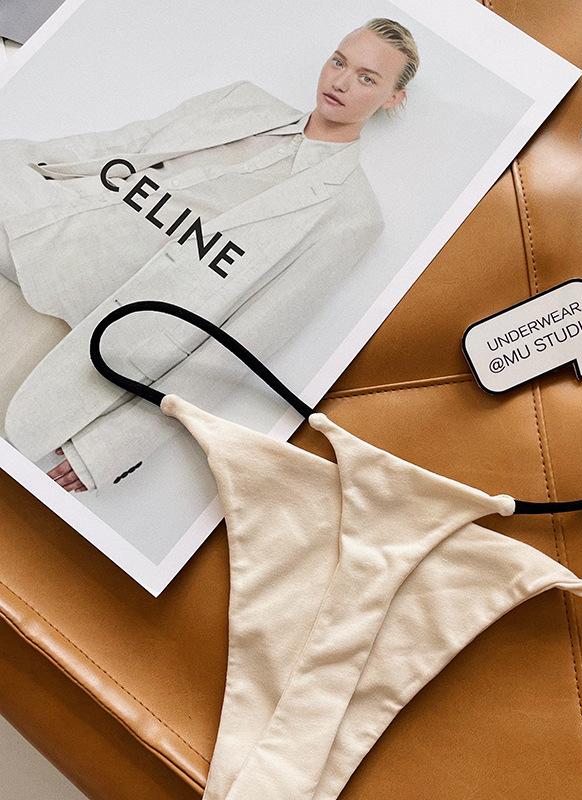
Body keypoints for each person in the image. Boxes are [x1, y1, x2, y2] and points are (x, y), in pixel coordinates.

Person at [0, 17, 421, 492]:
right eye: (339, 62)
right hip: (33, 227)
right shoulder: (244, 101)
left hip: (84, 336)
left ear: (392, 98)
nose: (341, 82)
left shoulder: (352, 215)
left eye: (367, 78)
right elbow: (121, 145)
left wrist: (111, 446)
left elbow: (245, 341)